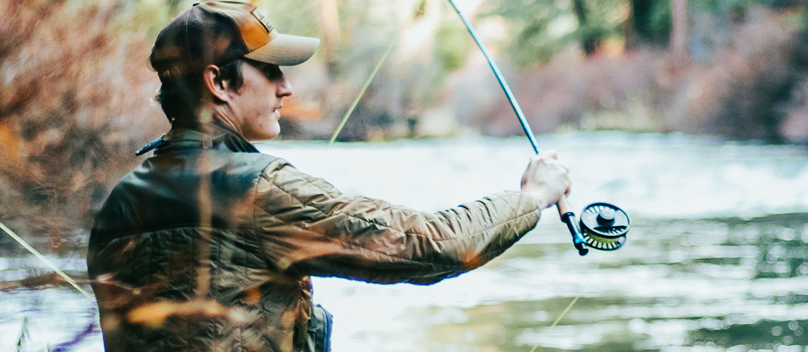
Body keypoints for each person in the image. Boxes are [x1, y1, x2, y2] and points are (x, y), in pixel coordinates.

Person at [86, 2, 571, 351]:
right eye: (271, 70)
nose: (287, 86)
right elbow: (430, 247)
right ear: (218, 83)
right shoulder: (260, 190)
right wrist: (531, 197)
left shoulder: (119, 203)